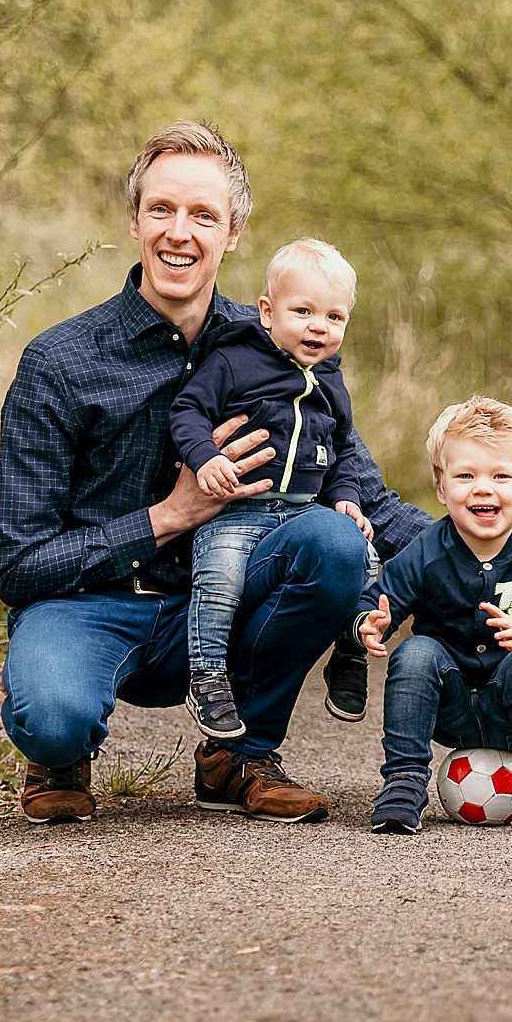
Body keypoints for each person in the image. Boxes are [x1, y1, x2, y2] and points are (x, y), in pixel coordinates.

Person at [0, 120, 428, 825]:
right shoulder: (60, 363)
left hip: (229, 604)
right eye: (161, 209)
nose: (179, 232)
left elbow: (366, 489)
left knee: (337, 541)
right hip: (92, 603)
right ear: (134, 220)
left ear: (234, 232)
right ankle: (59, 753)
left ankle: (240, 754)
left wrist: (489, 553)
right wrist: (172, 512)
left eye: (203, 214)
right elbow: (16, 564)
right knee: (52, 714)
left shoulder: (283, 349)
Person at [354, 396, 512, 839]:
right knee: (415, 652)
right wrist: (368, 623)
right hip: (448, 705)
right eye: (465, 475)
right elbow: (379, 598)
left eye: (501, 476)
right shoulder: (428, 550)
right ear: (440, 485)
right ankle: (404, 784)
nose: (483, 488)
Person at [170, 238, 375, 740]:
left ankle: (350, 648)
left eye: (334, 317)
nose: (317, 327)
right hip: (237, 512)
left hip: (304, 512)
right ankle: (207, 676)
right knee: (218, 580)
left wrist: (346, 495)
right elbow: (187, 412)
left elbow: (343, 447)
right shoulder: (235, 362)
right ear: (267, 310)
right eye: (302, 311)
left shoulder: (330, 380)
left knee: (368, 558)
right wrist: (205, 458)